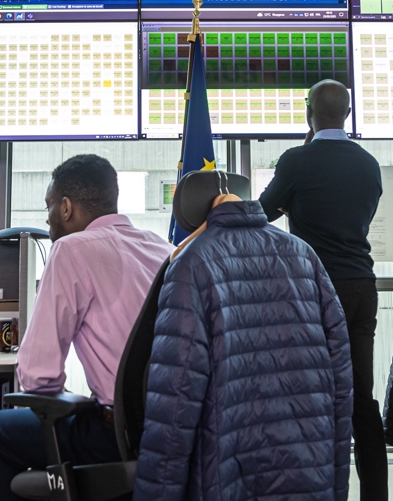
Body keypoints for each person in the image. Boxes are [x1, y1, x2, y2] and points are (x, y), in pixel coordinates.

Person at [134, 178, 354, 501]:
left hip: (227, 475)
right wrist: (337, 485)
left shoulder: (190, 265)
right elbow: (342, 384)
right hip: (310, 473)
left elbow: (175, 401)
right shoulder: (304, 256)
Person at [0, 154, 172, 501]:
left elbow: (38, 376)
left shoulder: (71, 249)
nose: (47, 218)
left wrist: (79, 404)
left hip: (117, 436)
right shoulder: (162, 248)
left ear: (65, 208)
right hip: (173, 433)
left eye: (48, 206)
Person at [258, 78, 387, 501]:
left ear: (308, 113)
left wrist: (292, 194)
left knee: (310, 395)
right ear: (347, 114)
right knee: (362, 399)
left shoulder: (297, 161)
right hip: (361, 287)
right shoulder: (368, 164)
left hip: (314, 290)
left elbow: (262, 212)